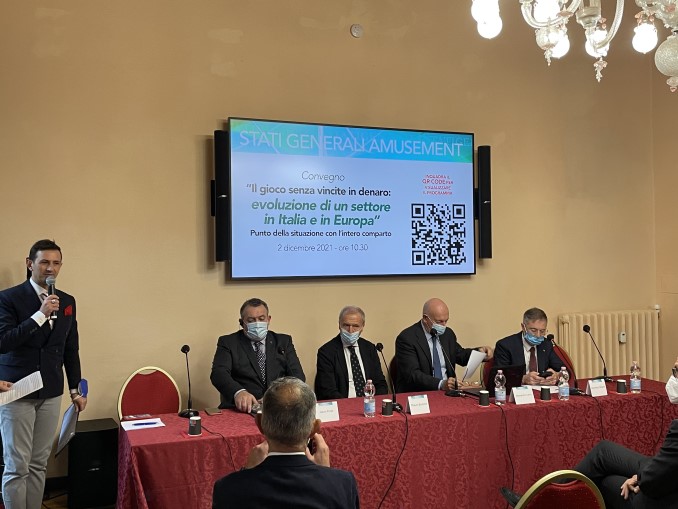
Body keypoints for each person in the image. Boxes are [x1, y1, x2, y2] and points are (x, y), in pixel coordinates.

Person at [501, 360, 678, 509]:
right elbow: (668, 465)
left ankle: (536, 503)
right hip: (665, 473)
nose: (672, 377)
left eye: (676, 371)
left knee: (604, 482)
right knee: (604, 452)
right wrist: (644, 475)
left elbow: (655, 482)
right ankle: (536, 500)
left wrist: (641, 478)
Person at [0, 239, 86, 509]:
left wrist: (75, 389)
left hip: (50, 390)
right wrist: (40, 315)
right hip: (17, 390)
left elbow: (70, 348)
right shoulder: (8, 298)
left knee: (39, 463)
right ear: (30, 264)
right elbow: (4, 342)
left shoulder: (67, 301)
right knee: (17, 466)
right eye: (44, 262)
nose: (51, 269)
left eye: (56, 263)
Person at [212, 377, 360, 509]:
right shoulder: (343, 484)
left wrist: (246, 474)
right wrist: (327, 479)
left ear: (260, 423)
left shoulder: (226, 489)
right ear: (314, 428)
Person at [211, 298, 305, 413]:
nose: (257, 324)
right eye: (251, 320)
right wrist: (238, 392)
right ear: (242, 322)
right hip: (241, 409)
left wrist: (278, 396)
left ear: (268, 319)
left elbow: (297, 376)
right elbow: (218, 374)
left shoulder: (283, 341)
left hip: (279, 408)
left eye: (261, 319)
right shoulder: (228, 342)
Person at [395, 298, 493, 393]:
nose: (444, 325)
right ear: (425, 318)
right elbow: (412, 375)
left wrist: (480, 353)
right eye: (439, 322)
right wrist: (441, 384)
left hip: (448, 393)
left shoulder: (447, 334)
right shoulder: (407, 338)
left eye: (446, 321)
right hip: (420, 394)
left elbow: (460, 355)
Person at [315, 306, 388, 401]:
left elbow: (381, 384)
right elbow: (327, 390)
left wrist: (373, 402)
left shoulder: (369, 348)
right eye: (346, 325)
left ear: (362, 327)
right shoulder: (326, 352)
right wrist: (351, 404)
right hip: (343, 404)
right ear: (339, 325)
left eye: (355, 326)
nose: (350, 330)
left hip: (370, 403)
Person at [494, 307, 564, 386]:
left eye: (542, 331)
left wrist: (557, 376)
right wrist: (522, 379)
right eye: (533, 330)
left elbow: (565, 370)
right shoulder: (505, 345)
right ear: (523, 327)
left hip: (541, 390)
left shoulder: (546, 344)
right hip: (517, 391)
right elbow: (498, 377)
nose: (538, 335)